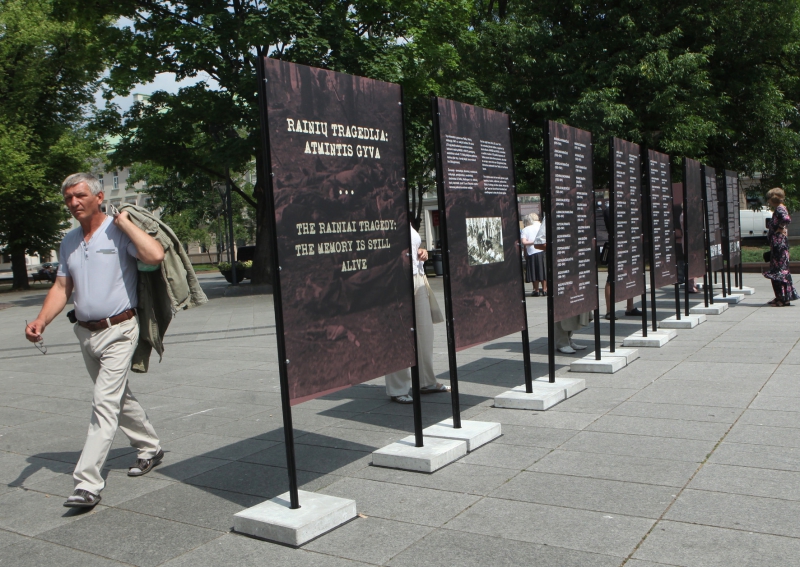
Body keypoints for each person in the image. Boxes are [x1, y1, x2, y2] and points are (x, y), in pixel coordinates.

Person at [24, 173, 165, 508]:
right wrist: (41, 320)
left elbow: (154, 256)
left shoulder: (118, 231)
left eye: (80, 195)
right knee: (118, 397)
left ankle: (87, 483)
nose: (73, 203)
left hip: (120, 329)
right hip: (85, 332)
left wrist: (125, 222)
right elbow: (62, 287)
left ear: (98, 196)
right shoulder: (70, 240)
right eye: (68, 198)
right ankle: (151, 447)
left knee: (104, 402)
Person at [385, 225, 449, 403]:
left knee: (425, 332)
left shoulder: (404, 215)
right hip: (395, 280)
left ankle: (426, 381)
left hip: (418, 276)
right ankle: (398, 388)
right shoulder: (381, 213)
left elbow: (412, 247)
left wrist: (421, 252)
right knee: (398, 335)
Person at [532, 216, 588, 353]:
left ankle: (568, 339)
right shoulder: (553, 214)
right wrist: (564, 247)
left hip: (574, 264)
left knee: (573, 302)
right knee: (561, 302)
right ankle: (561, 341)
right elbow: (539, 243)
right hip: (560, 266)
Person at [602, 201, 641, 319]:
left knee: (631, 276)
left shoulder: (628, 209)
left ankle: (630, 307)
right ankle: (609, 310)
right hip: (617, 247)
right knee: (611, 279)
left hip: (629, 245)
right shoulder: (609, 210)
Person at [764, 187, 799, 306]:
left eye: (769, 199)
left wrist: (780, 227)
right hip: (777, 244)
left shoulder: (780, 209)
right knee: (777, 270)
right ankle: (779, 296)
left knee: (779, 271)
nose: (768, 201)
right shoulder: (779, 209)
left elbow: (786, 219)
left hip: (779, 245)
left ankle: (783, 298)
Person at [521, 213, 547, 296]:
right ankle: (545, 289)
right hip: (542, 251)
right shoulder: (541, 226)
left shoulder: (525, 229)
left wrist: (533, 242)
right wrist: (537, 242)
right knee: (543, 271)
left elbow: (524, 242)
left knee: (534, 272)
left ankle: (536, 290)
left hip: (531, 252)